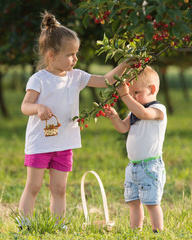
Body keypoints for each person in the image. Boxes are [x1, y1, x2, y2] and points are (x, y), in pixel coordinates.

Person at [17, 11, 131, 229]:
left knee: (59, 188)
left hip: (64, 143)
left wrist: (124, 64)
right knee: (34, 186)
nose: (75, 59)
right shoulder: (39, 79)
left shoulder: (76, 76)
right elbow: (25, 106)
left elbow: (106, 80)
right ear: (51, 55)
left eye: (76, 54)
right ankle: (25, 224)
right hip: (40, 143)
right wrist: (38, 107)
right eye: (70, 54)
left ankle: (58, 225)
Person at [104, 66, 167, 232]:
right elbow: (123, 128)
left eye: (136, 93)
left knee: (152, 203)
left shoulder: (158, 110)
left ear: (152, 89)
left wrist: (124, 95)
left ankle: (157, 231)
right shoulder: (135, 113)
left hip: (150, 167)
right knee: (133, 201)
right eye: (131, 94)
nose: (133, 97)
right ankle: (135, 230)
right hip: (132, 167)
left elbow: (144, 114)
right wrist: (115, 117)